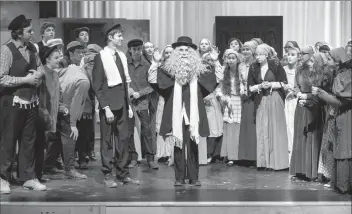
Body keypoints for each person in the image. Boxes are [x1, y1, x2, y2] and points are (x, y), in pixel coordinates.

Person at [148, 36, 218, 186]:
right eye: (181, 50)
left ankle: (194, 177)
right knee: (178, 144)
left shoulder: (199, 69)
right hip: (177, 112)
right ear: (176, 53)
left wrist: (216, 62)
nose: (185, 53)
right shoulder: (168, 70)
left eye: (187, 50)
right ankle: (179, 178)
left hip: (193, 112)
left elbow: (214, 81)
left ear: (192, 52)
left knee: (193, 144)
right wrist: (155, 63)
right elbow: (154, 82)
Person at [0, 15, 46, 194]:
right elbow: (1, 78)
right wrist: (25, 79)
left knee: (29, 141)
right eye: (29, 31)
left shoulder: (33, 48)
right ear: (19, 33)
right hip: (12, 102)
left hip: (31, 102)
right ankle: (3, 177)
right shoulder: (6, 50)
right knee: (8, 141)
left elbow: (41, 67)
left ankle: (28, 177)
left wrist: (38, 74)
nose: (33, 33)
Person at [92, 24, 139, 188]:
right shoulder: (101, 56)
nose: (121, 38)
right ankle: (107, 175)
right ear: (110, 37)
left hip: (123, 105)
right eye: (119, 35)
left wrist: (129, 105)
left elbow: (125, 83)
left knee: (123, 140)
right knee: (107, 142)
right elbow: (97, 85)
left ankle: (123, 174)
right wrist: (105, 107)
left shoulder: (121, 56)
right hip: (109, 107)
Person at [312, 47, 352, 194]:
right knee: (340, 146)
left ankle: (344, 184)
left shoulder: (346, 76)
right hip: (341, 115)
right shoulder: (340, 74)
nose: (326, 61)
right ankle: (341, 183)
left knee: (344, 147)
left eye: (329, 59)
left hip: (347, 116)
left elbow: (342, 102)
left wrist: (321, 94)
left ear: (338, 62)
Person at [247, 44, 289, 171]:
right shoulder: (253, 67)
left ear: (266, 55)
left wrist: (271, 84)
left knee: (275, 129)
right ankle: (263, 162)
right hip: (262, 100)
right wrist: (260, 86)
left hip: (275, 98)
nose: (258, 57)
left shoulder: (275, 64)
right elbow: (250, 87)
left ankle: (276, 163)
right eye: (256, 55)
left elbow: (284, 82)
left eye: (260, 54)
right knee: (262, 129)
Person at [35, 38, 67, 182]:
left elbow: (56, 97)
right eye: (56, 57)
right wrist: (46, 116)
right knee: (38, 146)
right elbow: (41, 99)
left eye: (59, 57)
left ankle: (39, 174)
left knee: (43, 147)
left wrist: (61, 107)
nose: (59, 60)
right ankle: (34, 175)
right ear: (47, 58)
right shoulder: (42, 73)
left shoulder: (55, 74)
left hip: (51, 117)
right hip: (41, 117)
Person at [127, 39, 158, 169]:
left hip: (143, 102)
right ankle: (133, 157)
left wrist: (139, 93)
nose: (137, 52)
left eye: (139, 49)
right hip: (128, 102)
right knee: (129, 131)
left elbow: (153, 86)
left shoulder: (147, 65)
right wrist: (128, 90)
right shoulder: (125, 64)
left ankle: (150, 158)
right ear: (130, 50)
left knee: (147, 130)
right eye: (134, 49)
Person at [217, 49, 242, 166]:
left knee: (238, 128)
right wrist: (225, 98)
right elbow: (219, 89)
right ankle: (230, 155)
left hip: (240, 101)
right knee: (229, 128)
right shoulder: (223, 71)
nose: (231, 60)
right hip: (229, 100)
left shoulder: (241, 71)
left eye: (233, 58)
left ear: (237, 59)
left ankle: (238, 155)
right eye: (229, 58)